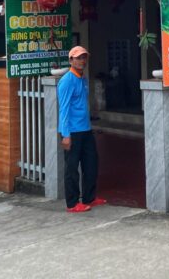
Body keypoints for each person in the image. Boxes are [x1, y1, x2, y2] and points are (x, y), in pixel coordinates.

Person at [58, 45, 107, 213]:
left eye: (84, 57)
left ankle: (89, 197)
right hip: (72, 131)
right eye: (78, 58)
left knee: (91, 163)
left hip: (85, 129)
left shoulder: (82, 79)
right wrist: (65, 135)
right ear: (71, 60)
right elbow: (63, 109)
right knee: (72, 168)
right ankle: (72, 203)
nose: (82, 60)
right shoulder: (67, 81)